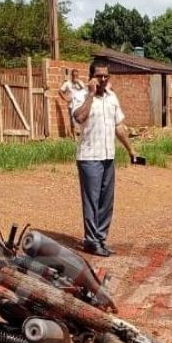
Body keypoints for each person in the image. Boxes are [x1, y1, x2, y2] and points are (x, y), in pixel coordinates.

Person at [72, 61, 140, 257]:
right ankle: (91, 241)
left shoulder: (112, 98)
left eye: (105, 76)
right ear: (91, 77)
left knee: (106, 202)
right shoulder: (81, 96)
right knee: (91, 201)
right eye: (99, 76)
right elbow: (79, 117)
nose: (103, 79)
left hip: (108, 156)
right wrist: (91, 95)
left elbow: (118, 126)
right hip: (89, 157)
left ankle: (101, 238)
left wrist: (131, 150)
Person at [59, 69, 86, 138]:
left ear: (78, 76)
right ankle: (75, 137)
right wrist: (65, 98)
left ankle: (81, 134)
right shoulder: (67, 83)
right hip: (71, 104)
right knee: (72, 119)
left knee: (81, 119)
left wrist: (78, 83)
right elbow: (60, 91)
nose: (75, 77)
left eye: (76, 76)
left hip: (80, 104)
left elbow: (84, 90)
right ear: (71, 75)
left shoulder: (80, 82)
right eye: (74, 76)